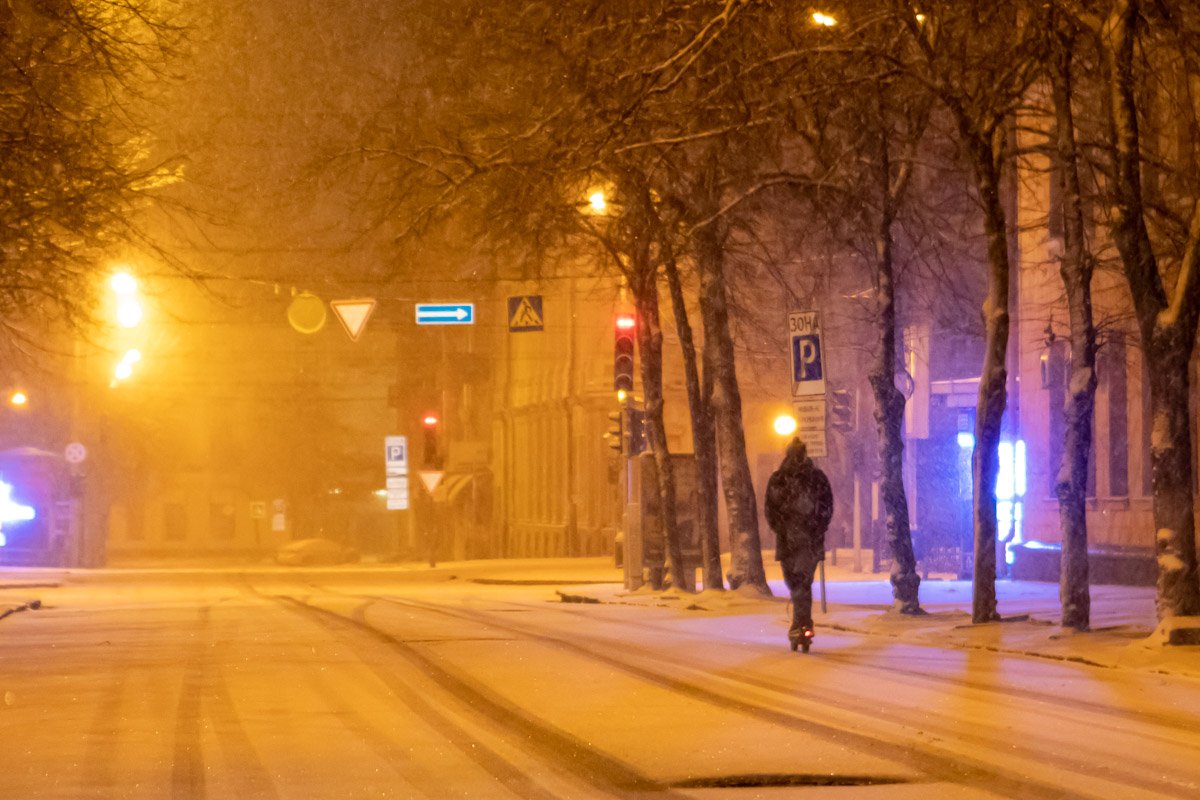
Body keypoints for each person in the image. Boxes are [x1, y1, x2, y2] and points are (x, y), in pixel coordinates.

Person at [764, 438, 833, 651]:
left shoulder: (778, 479)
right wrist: (817, 528)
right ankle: (804, 624)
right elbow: (827, 508)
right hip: (810, 542)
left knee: (795, 584)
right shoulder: (817, 478)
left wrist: (782, 529)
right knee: (804, 584)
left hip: (788, 543)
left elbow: (770, 511)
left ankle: (799, 625)